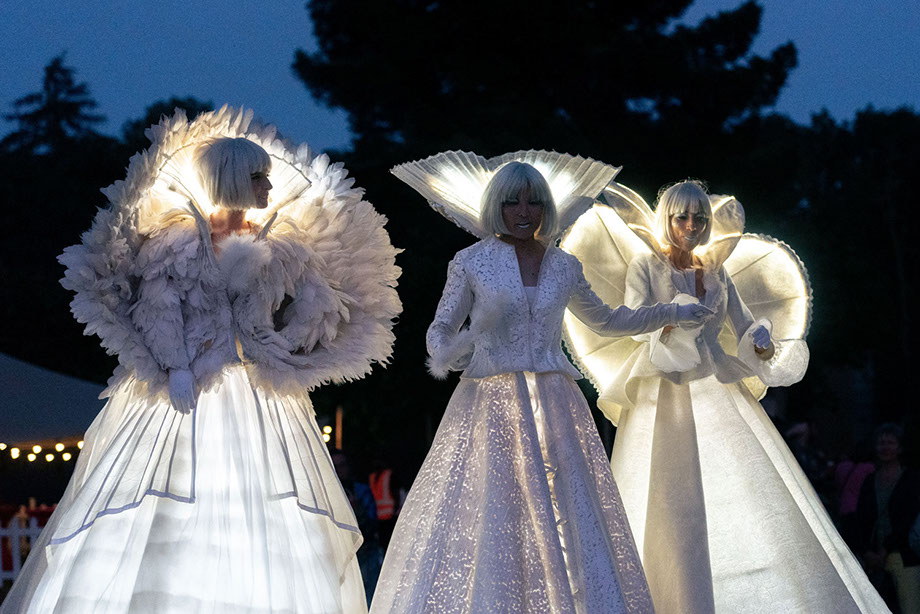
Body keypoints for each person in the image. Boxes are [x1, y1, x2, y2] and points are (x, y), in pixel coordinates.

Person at [1, 107, 401, 613]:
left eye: (267, 179)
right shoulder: (178, 243)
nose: (267, 190)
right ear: (231, 179)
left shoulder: (278, 246)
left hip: (258, 390)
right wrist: (176, 366)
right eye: (258, 178)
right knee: (167, 499)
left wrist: (287, 346)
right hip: (183, 388)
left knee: (259, 506)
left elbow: (319, 301)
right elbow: (159, 309)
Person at [371, 156, 712, 614]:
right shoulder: (471, 262)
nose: (524, 210)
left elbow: (609, 319)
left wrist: (672, 311)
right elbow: (438, 332)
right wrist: (462, 349)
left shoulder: (562, 265)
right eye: (512, 201)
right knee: (495, 509)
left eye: (534, 200)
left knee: (569, 512)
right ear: (497, 206)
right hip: (488, 404)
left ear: (547, 206)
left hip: (556, 402)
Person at [564, 179, 889, 613]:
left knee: (737, 491)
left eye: (699, 218)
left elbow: (745, 321)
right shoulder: (646, 265)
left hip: (715, 384)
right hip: (664, 390)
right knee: (663, 493)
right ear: (668, 219)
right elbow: (636, 321)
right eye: (683, 217)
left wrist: (760, 341)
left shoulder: (716, 272)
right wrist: (673, 316)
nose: (692, 225)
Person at [856, 424, 920, 613]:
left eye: (890, 443)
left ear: (900, 448)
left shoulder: (911, 479)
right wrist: (867, 551)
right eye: (881, 443)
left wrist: (886, 548)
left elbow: (910, 517)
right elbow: (862, 518)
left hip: (904, 554)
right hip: (873, 557)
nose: (885, 448)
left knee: (910, 606)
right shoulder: (869, 480)